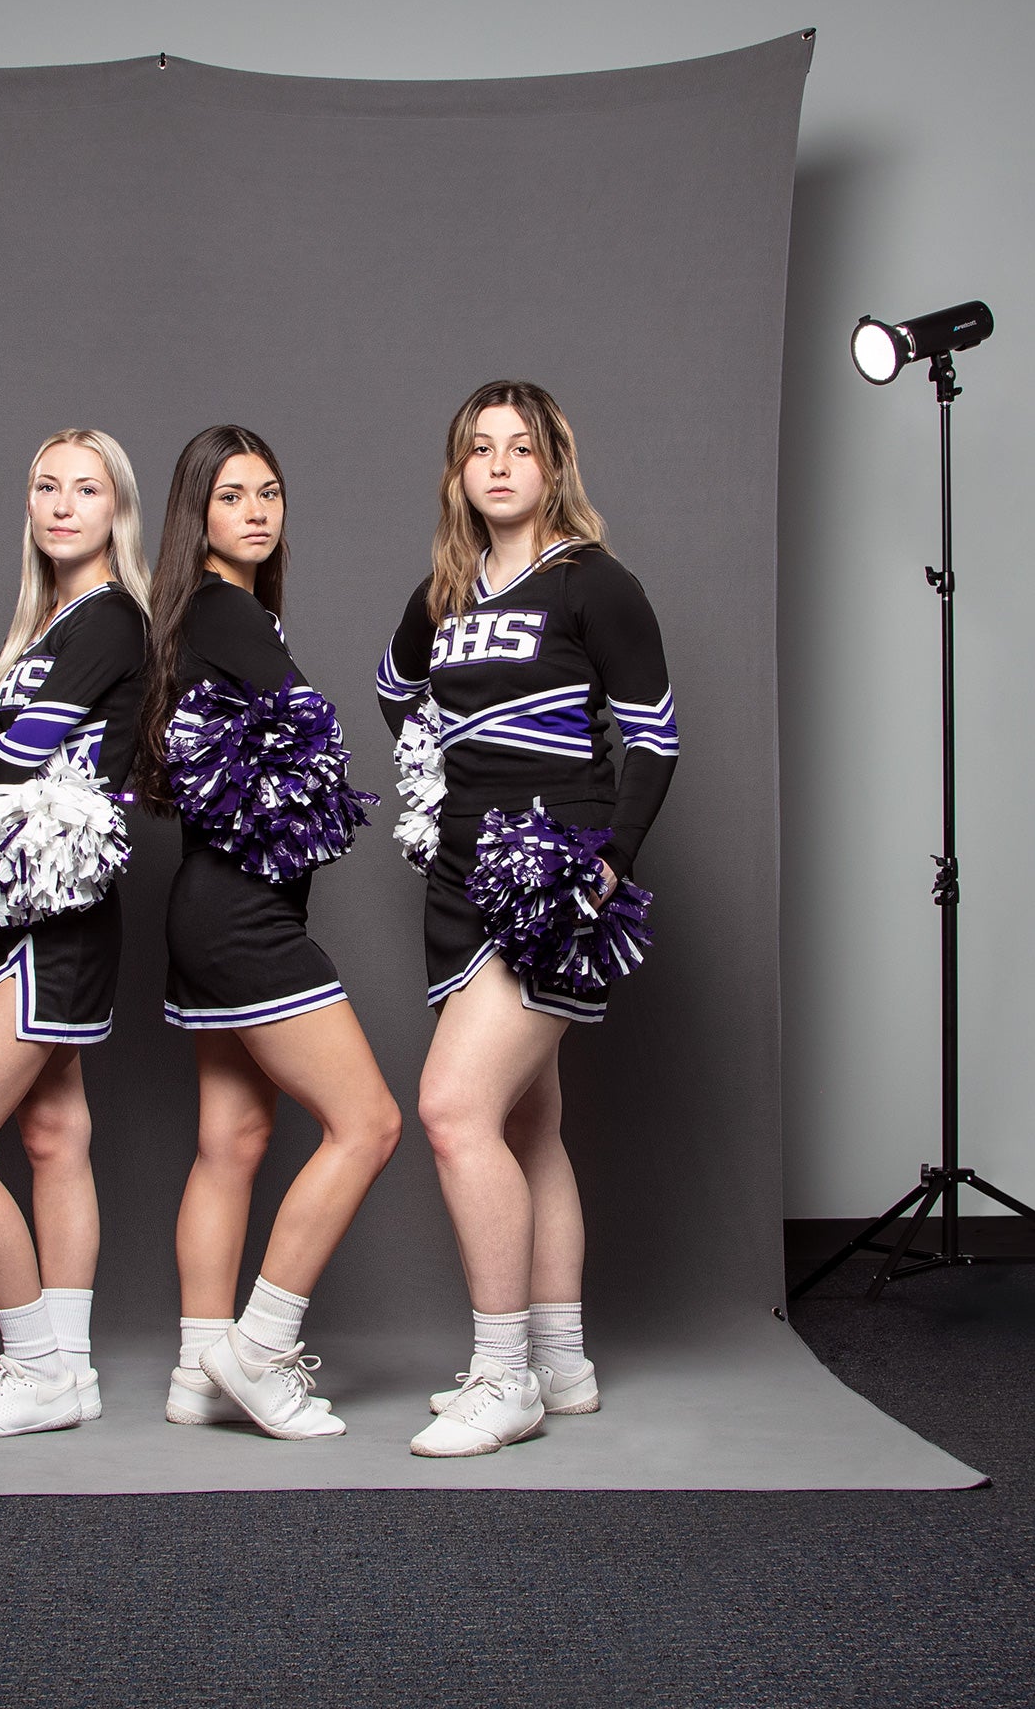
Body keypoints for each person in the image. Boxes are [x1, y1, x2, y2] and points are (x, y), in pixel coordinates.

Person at [376, 379, 677, 1458]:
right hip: (458, 876)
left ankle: (503, 1377)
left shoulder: (597, 584)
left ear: (554, 465)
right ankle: (561, 1358)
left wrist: (607, 864)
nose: (499, 466)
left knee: (454, 1109)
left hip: (552, 878)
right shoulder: (444, 591)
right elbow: (396, 691)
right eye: (479, 449)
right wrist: (443, 784)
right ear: (458, 471)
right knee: (528, 1123)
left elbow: (654, 740)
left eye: (520, 448)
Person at [137, 425, 402, 1440]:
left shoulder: (200, 615)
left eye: (270, 493)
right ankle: (256, 1352)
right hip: (243, 919)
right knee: (368, 1124)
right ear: (195, 514)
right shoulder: (226, 611)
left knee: (231, 1141)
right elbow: (312, 736)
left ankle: (198, 1372)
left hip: (207, 910)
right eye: (232, 495)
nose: (255, 512)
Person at [0, 430, 151, 1439]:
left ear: (116, 509)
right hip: (12, 907)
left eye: (85, 489)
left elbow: (8, 755)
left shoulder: (110, 620)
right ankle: (73, 1370)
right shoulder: (46, 627)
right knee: (53, 1137)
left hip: (59, 915)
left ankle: (34, 1366)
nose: (61, 505)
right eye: (46, 487)